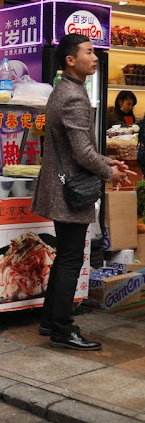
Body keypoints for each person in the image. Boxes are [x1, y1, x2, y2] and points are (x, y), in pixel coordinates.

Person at [32, 34, 134, 351]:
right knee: (71, 259)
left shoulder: (64, 90)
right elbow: (82, 153)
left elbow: (81, 149)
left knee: (66, 256)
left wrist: (107, 161)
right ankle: (62, 328)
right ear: (70, 60)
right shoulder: (74, 97)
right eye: (89, 52)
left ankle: (51, 320)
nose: (96, 58)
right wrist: (109, 170)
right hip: (70, 191)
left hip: (62, 186)